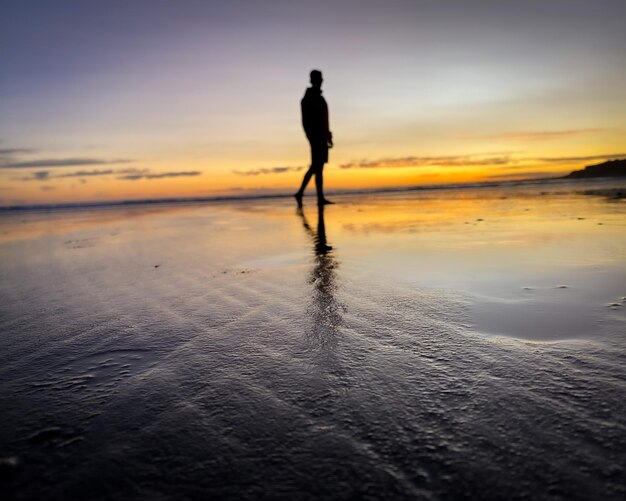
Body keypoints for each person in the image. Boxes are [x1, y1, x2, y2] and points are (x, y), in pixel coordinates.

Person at [295, 69, 334, 207]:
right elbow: (306, 122)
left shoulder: (319, 98)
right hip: (316, 137)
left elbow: (325, 119)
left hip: (322, 136)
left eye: (321, 79)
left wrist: (328, 135)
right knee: (317, 167)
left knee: (317, 167)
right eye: (319, 79)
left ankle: (305, 194)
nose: (321, 81)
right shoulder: (308, 98)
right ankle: (316, 196)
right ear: (313, 80)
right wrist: (312, 137)